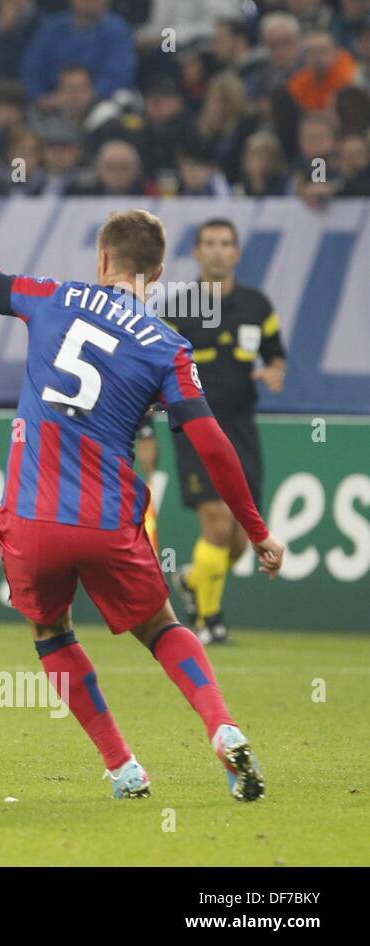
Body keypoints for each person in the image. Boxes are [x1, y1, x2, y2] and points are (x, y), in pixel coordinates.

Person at [0, 209, 284, 801]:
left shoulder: (51, 296)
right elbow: (212, 446)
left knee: (50, 629)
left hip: (31, 517)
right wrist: (256, 531)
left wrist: (13, 285)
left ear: (102, 259)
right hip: (106, 520)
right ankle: (221, 726)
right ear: (155, 273)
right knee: (161, 626)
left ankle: (124, 768)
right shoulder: (167, 347)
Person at [166, 219, 286, 645]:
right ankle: (208, 622)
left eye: (226, 244)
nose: (218, 251)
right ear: (197, 253)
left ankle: (194, 580)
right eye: (209, 244)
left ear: (236, 253)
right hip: (195, 426)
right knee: (216, 520)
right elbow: (149, 371)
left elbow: (276, 357)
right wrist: (144, 431)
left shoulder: (258, 306)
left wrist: (274, 372)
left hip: (240, 428)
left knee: (238, 539)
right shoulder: (178, 308)